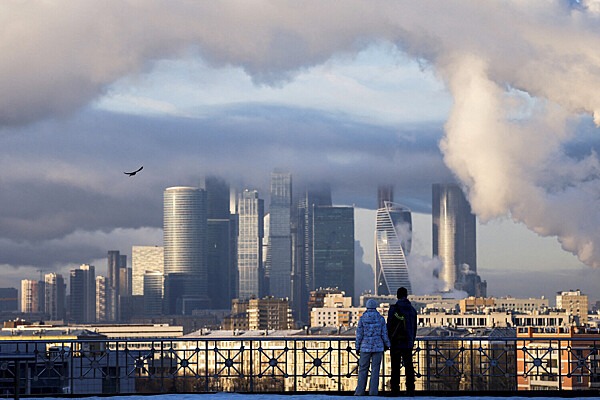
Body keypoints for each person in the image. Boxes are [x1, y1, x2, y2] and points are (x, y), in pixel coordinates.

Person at [354, 298, 391, 396]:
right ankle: (373, 392)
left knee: (362, 369)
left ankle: (359, 391)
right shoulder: (380, 318)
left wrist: (357, 347)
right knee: (375, 370)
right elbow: (384, 334)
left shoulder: (362, 318)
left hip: (365, 347)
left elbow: (359, 335)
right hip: (378, 347)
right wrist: (387, 344)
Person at [387, 287, 418, 396]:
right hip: (408, 342)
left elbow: (389, 325)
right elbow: (414, 328)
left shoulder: (394, 309)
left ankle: (395, 390)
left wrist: (388, 340)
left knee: (395, 367)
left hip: (395, 342)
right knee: (409, 367)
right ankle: (410, 389)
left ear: (397, 295)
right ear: (406, 295)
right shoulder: (412, 310)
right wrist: (411, 340)